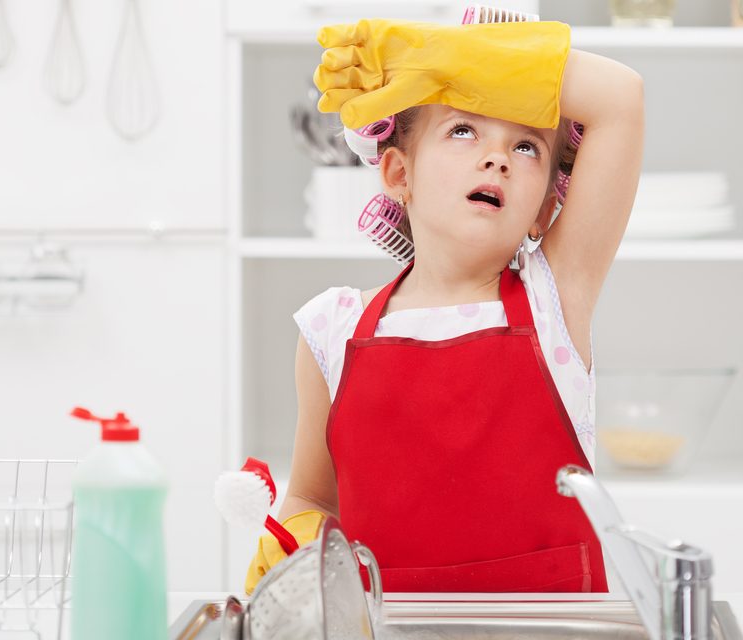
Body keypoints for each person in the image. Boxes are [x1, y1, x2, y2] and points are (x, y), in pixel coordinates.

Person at [245, 16, 644, 594]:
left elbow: (620, 98)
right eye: (463, 130)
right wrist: (289, 547)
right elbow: (312, 496)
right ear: (398, 171)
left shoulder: (555, 297)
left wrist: (443, 55)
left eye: (527, 145)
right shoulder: (331, 331)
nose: (498, 158)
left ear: (542, 212)